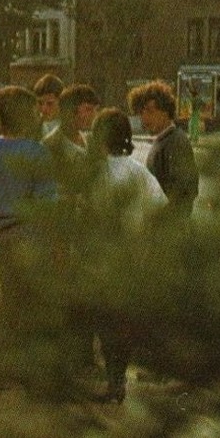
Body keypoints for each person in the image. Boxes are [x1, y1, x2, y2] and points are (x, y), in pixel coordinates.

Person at [83, 106, 166, 403]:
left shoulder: (96, 173)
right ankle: (119, 378)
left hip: (103, 259)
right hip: (134, 258)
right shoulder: (140, 172)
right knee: (124, 322)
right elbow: (160, 213)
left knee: (105, 323)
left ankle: (113, 380)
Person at [0, 85, 58, 363]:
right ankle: (10, 365)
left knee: (11, 297)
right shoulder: (37, 152)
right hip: (29, 236)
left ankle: (5, 364)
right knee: (26, 302)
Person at [128, 80, 199, 218]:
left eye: (150, 111)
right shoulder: (163, 140)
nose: (144, 117)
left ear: (165, 111)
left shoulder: (176, 141)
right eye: (141, 112)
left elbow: (185, 190)